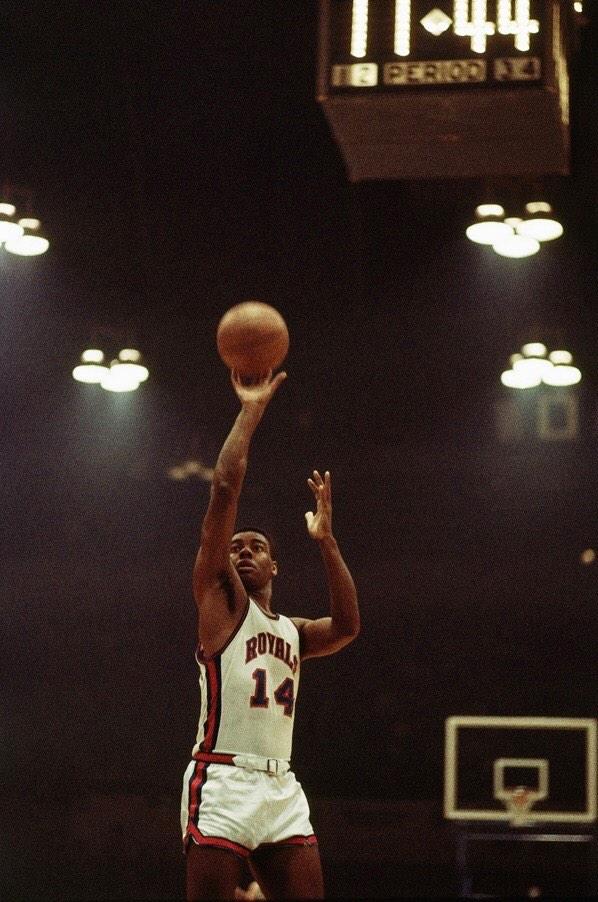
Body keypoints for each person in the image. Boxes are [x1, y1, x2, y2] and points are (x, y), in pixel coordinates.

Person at [181, 369, 360, 900]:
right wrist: (251, 409)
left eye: (256, 546)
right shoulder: (219, 604)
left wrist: (326, 541)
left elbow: (349, 626)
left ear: (276, 566)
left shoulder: (293, 631)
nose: (242, 551)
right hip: (222, 780)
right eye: (236, 546)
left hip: (281, 786)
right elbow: (224, 488)